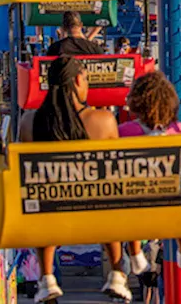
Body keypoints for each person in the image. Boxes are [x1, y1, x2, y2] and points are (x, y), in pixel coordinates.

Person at [18, 56, 128, 302]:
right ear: (79, 80)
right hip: (94, 211)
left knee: (40, 196)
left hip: (49, 213)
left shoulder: (30, 122)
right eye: (87, 79)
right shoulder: (102, 121)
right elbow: (118, 165)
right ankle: (118, 272)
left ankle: (47, 276)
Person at [120, 72, 181, 273]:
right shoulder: (178, 129)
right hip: (171, 194)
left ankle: (135, 252)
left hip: (139, 194)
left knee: (128, 209)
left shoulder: (126, 131)